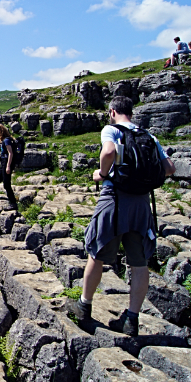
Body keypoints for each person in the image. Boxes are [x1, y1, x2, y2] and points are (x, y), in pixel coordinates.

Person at [67, 96, 175, 337]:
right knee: (139, 263)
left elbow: (107, 152)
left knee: (97, 252)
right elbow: (170, 169)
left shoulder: (111, 129)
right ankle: (131, 320)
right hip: (141, 205)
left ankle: (84, 307)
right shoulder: (149, 136)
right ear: (132, 112)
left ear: (112, 111)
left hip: (114, 200)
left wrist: (102, 173)